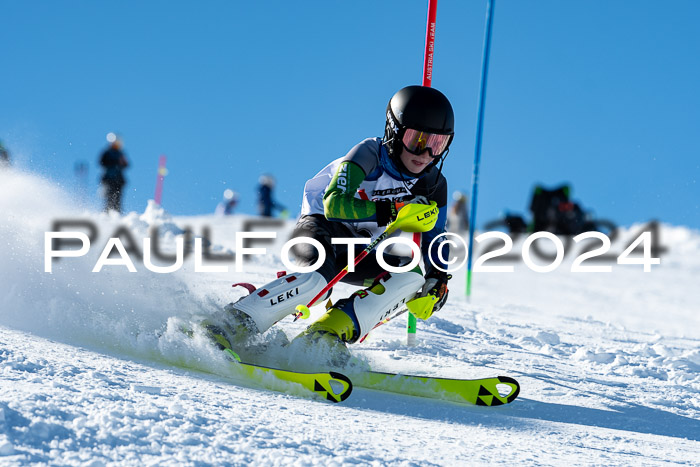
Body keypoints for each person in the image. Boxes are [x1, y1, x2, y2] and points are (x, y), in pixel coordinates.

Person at [208, 85, 455, 367]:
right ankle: (231, 323)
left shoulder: (433, 182)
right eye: (416, 140)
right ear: (395, 131)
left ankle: (325, 336)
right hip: (322, 231)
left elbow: (437, 237)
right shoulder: (369, 154)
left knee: (411, 277)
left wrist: (439, 279)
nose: (425, 154)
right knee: (316, 281)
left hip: (363, 250)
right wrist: (394, 210)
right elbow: (334, 205)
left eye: (437, 144)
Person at [99, 133, 129, 213]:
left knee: (118, 198)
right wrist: (115, 162)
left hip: (118, 180)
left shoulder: (120, 153)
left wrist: (123, 163)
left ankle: (117, 213)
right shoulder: (107, 152)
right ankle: (107, 213)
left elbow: (127, 164)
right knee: (109, 197)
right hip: (109, 179)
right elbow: (102, 162)